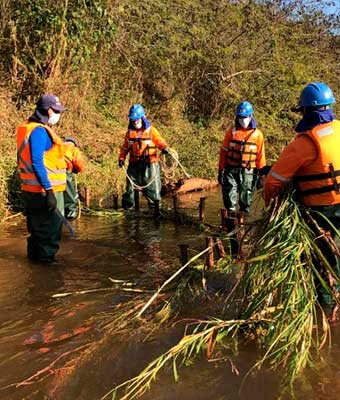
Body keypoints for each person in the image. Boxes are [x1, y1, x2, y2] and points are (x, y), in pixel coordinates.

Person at [264, 82, 340, 308]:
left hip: (322, 212)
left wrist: (272, 205)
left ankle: (326, 310)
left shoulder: (304, 143)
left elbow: (273, 181)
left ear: (305, 111)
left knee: (324, 261)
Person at [16, 94, 66, 264]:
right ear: (48, 110)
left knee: (36, 229)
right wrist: (50, 190)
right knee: (50, 230)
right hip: (43, 191)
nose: (58, 115)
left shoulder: (27, 128)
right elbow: (37, 161)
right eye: (57, 111)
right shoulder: (39, 131)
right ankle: (46, 270)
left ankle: (33, 264)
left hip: (31, 190)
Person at [218, 101, 266, 218]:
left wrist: (261, 175)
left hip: (248, 171)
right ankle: (230, 223)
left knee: (246, 200)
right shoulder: (231, 133)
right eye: (240, 117)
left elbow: (260, 155)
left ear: (251, 116)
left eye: (245, 117)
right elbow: (223, 153)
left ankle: (242, 225)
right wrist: (220, 170)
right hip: (231, 170)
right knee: (229, 199)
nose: (243, 120)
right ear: (237, 117)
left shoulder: (258, 135)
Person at [118, 104, 169, 209]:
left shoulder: (151, 130)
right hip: (134, 163)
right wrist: (121, 158)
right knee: (130, 188)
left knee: (153, 188)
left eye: (137, 119)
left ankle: (156, 209)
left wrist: (164, 147)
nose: (135, 121)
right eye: (133, 119)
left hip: (150, 163)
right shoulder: (129, 133)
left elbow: (159, 140)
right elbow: (125, 147)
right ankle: (128, 208)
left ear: (142, 118)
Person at [63, 137, 85, 219]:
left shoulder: (58, 145)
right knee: (70, 194)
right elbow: (78, 163)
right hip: (65, 170)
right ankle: (70, 215)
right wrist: (77, 170)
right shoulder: (73, 148)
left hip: (53, 171)